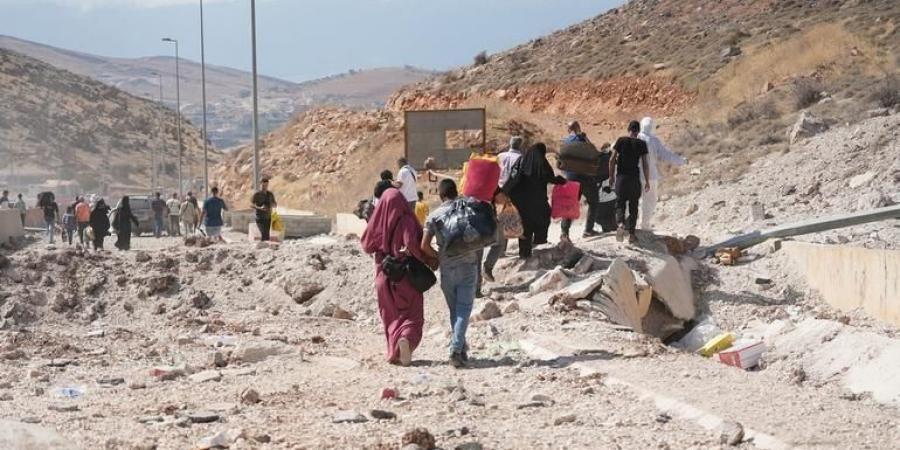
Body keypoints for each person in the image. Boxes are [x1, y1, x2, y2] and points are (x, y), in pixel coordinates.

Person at [361, 188, 432, 367]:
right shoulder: (406, 220)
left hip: (383, 276)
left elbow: (367, 245)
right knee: (413, 314)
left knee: (391, 315)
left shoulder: (377, 221)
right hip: (405, 275)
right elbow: (412, 244)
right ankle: (406, 339)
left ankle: (394, 351)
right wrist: (428, 259)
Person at [421, 179, 482, 368]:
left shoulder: (434, 215)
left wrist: (439, 257)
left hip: (447, 268)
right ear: (456, 192)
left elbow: (423, 246)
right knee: (464, 309)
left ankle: (461, 348)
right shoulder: (468, 208)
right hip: (468, 266)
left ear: (440, 195)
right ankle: (456, 350)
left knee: (455, 310)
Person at [503, 143, 566, 259]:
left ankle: (524, 254)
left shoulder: (521, 162)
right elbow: (550, 178)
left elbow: (512, 178)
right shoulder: (542, 163)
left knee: (526, 227)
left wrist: (504, 192)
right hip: (539, 202)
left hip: (522, 203)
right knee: (543, 220)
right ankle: (539, 246)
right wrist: (560, 181)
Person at [484, 136, 525, 281]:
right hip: (510, 192)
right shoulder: (521, 158)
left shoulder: (500, 156)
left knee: (501, 219)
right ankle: (509, 248)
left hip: (495, 192)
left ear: (510, 144)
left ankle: (502, 249)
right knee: (511, 219)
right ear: (521, 146)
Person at [638, 117, 687, 230]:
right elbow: (666, 155)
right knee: (650, 200)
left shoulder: (636, 138)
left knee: (633, 200)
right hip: (650, 175)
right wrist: (681, 161)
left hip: (635, 174)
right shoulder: (653, 141)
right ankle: (644, 225)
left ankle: (627, 224)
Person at [609, 121, 651, 244]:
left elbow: (612, 160)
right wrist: (647, 181)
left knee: (620, 203)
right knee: (633, 206)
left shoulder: (621, 140)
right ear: (638, 131)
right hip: (634, 179)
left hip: (621, 178)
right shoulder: (642, 144)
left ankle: (621, 224)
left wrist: (611, 176)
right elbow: (645, 164)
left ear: (629, 130)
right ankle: (632, 234)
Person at [560, 121, 601, 240]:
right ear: (579, 128)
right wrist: (586, 137)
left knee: (570, 205)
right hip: (586, 177)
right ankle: (588, 230)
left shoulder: (566, 141)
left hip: (571, 178)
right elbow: (595, 153)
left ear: (568, 130)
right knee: (594, 202)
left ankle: (564, 233)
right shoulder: (583, 139)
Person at [595, 143, 618, 232]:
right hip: (612, 198)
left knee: (604, 222)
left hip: (601, 200)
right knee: (612, 223)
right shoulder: (615, 163)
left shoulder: (597, 162)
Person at [251, 177, 277, 241]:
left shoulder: (270, 194)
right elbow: (251, 205)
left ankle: (265, 248)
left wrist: (272, 205)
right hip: (260, 217)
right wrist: (260, 208)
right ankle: (262, 247)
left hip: (268, 217)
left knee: (267, 235)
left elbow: (275, 204)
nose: (265, 187)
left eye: (266, 185)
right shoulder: (257, 194)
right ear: (260, 184)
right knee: (263, 233)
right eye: (263, 185)